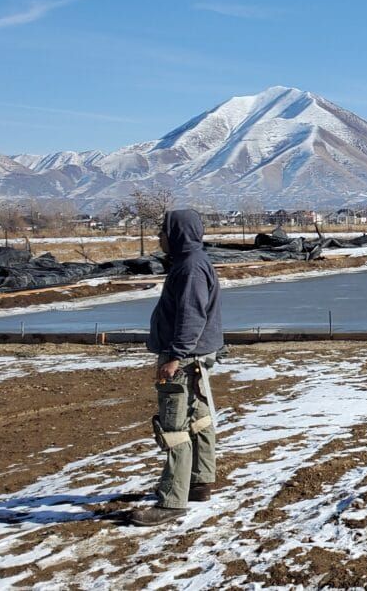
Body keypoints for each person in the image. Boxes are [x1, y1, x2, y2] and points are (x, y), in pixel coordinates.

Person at [128, 209, 223, 527]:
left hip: (183, 359)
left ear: (177, 234)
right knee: (198, 420)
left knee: (174, 428)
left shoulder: (191, 268)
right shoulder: (194, 262)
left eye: (163, 232)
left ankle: (172, 500)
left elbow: (191, 316)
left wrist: (174, 357)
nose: (159, 238)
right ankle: (199, 482)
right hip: (195, 357)